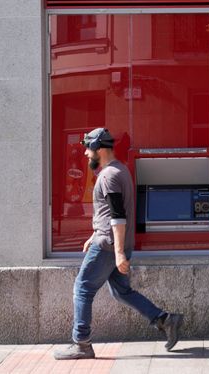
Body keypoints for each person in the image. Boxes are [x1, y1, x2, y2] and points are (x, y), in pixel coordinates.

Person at [53, 127, 184, 360]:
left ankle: (81, 343)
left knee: (82, 288)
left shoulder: (110, 175)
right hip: (110, 241)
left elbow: (117, 216)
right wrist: (94, 235)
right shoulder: (119, 170)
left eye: (87, 149)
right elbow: (110, 213)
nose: (85, 154)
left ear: (98, 148)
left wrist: (118, 253)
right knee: (122, 292)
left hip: (108, 246)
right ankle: (165, 320)